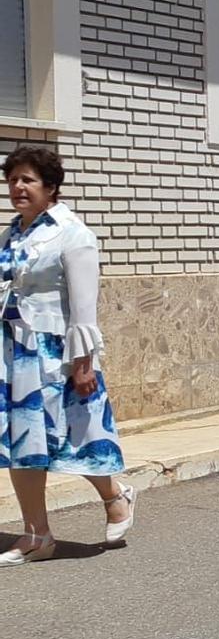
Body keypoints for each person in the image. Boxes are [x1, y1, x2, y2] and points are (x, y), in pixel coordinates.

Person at [0, 148, 132, 566]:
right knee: (20, 444)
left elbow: (83, 305)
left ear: (50, 187)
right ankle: (37, 535)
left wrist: (83, 362)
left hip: (56, 353)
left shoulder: (72, 233)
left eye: (27, 180)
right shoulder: (12, 233)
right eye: (13, 180)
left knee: (78, 437)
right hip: (15, 352)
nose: (17, 188)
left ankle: (115, 496)